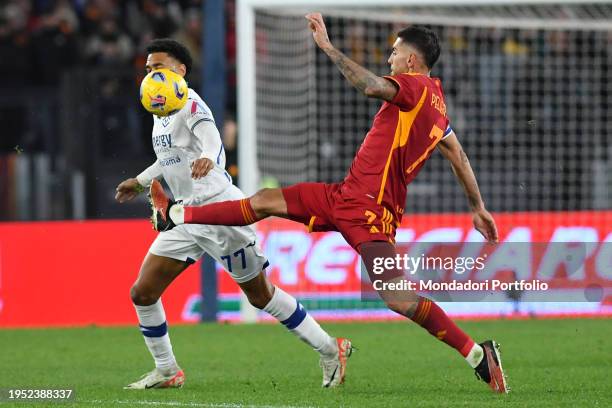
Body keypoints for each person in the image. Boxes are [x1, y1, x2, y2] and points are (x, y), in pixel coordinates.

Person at [150, 15, 508, 394]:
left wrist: (326, 46)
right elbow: (458, 156)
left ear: (411, 61)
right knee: (264, 202)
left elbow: (368, 86)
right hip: (345, 196)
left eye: (394, 52)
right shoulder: (437, 106)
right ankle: (175, 214)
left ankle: (477, 354)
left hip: (369, 212)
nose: (389, 59)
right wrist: (478, 207)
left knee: (398, 298)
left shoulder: (414, 87)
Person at [115, 38, 352, 390]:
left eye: (159, 66)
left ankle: (330, 348)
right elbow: (170, 159)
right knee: (143, 292)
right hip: (185, 217)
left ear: (181, 70)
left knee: (260, 296)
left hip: (220, 213)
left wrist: (209, 155)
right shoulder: (160, 111)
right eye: (149, 68)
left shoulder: (191, 103)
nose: (152, 73)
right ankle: (167, 370)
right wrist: (141, 180)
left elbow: (209, 137)